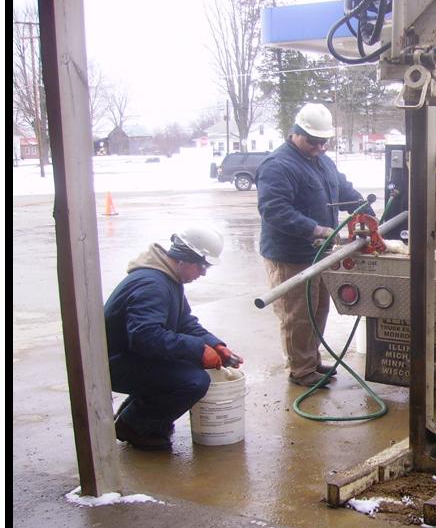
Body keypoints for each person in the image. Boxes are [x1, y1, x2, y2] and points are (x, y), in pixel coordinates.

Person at [256, 103, 373, 387]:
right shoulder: (278, 165)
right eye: (313, 141)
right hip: (290, 255)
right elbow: (275, 210)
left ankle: (311, 360)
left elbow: (341, 188)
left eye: (324, 142)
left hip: (320, 253)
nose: (319, 147)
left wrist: (363, 209)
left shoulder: (322, 160)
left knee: (318, 309)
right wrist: (315, 229)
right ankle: (300, 369)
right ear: (296, 133)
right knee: (297, 314)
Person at [104, 226, 243, 450]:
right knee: (194, 381)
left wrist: (214, 344)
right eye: (202, 265)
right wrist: (198, 350)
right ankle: (133, 426)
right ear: (185, 259)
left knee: (188, 362)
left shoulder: (167, 278)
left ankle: (137, 414)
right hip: (113, 365)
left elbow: (184, 322)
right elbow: (145, 336)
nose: (203, 273)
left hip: (128, 356)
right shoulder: (153, 285)